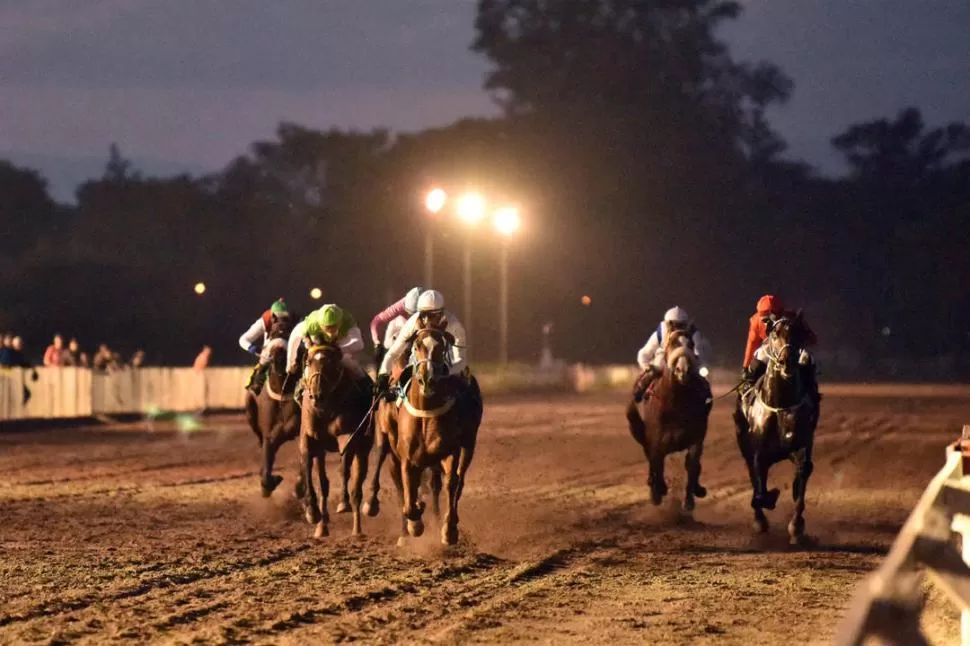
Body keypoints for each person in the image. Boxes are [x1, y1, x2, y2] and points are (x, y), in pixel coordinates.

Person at [376, 290, 474, 402]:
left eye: (433, 315)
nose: (427, 320)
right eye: (424, 315)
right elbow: (393, 353)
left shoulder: (455, 326)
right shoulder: (412, 323)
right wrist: (383, 374)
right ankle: (398, 396)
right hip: (420, 357)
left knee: (461, 380)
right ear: (419, 314)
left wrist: (451, 375)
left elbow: (460, 361)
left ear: (442, 313)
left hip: (447, 355)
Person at [740, 294, 819, 405]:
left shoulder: (793, 318)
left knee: (807, 358)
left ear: (778, 313)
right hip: (770, 348)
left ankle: (811, 391)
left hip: (792, 347)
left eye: (768, 317)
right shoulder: (755, 321)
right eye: (762, 317)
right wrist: (745, 367)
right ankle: (748, 389)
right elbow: (752, 344)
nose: (764, 321)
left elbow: (812, 338)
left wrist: (799, 339)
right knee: (757, 359)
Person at [286, 303, 371, 399]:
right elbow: (294, 338)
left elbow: (359, 344)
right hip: (317, 346)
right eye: (326, 327)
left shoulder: (347, 320)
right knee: (310, 367)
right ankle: (301, 389)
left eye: (333, 327)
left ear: (340, 322)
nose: (330, 332)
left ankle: (367, 387)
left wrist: (338, 349)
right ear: (319, 323)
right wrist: (290, 362)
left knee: (351, 365)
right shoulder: (311, 323)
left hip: (338, 346)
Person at [632, 306, 706, 403]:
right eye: (674, 325)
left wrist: (699, 364)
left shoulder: (693, 332)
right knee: (654, 370)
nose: (677, 329)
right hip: (664, 358)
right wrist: (646, 366)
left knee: (702, 377)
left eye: (681, 325)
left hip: (688, 359)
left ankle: (705, 398)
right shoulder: (661, 332)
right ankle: (640, 391)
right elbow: (644, 353)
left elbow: (699, 351)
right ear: (668, 324)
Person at [239, 298, 291, 395]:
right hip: (268, 352)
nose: (281, 321)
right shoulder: (264, 321)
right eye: (278, 318)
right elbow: (243, 339)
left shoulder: (293, 320)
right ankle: (256, 385)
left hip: (288, 349)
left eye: (283, 317)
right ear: (272, 316)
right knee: (264, 360)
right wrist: (252, 348)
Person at [370, 286, 423, 365]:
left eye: (414, 315)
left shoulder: (433, 309)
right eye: (409, 313)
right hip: (397, 337)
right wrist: (377, 343)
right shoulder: (400, 305)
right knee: (397, 322)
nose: (412, 318)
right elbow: (376, 322)